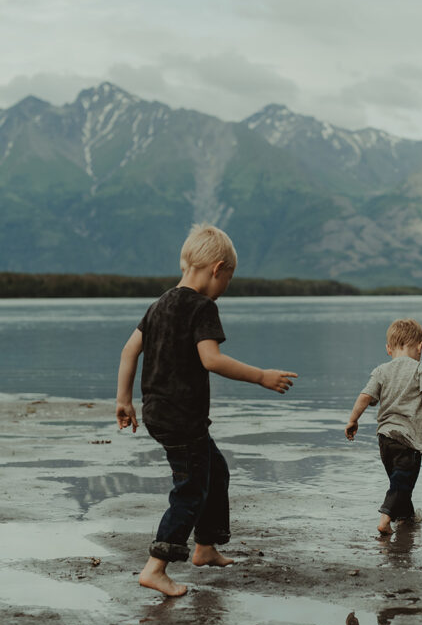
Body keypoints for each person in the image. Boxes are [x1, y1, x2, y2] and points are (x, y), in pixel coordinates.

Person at [116, 223, 297, 598]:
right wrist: (261, 376)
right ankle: (156, 567)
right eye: (227, 280)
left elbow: (129, 351)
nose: (224, 289)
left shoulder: (158, 305)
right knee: (191, 490)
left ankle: (205, 547)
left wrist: (124, 400)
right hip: (183, 418)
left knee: (214, 469)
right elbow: (211, 359)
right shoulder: (203, 307)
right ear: (217, 269)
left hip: (158, 413)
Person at [345, 318, 422, 535]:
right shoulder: (421, 369)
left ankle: (407, 519)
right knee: (401, 483)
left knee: (400, 483)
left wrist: (353, 420)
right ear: (420, 346)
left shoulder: (381, 371)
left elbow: (365, 396)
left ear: (388, 349)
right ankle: (385, 518)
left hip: (385, 440)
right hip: (409, 441)